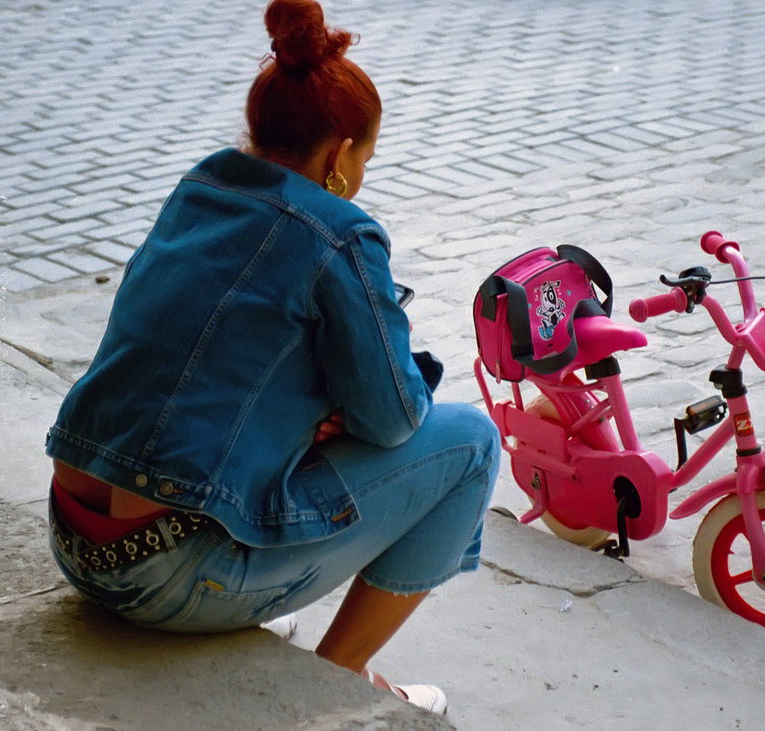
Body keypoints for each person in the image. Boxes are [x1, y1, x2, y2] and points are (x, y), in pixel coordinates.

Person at [44, 0, 499, 715]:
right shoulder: (341, 233)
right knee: (471, 441)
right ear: (341, 153)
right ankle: (341, 675)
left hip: (74, 544)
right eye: (366, 160)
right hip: (168, 576)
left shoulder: (200, 187)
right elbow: (394, 419)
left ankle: (246, 591)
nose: (361, 176)